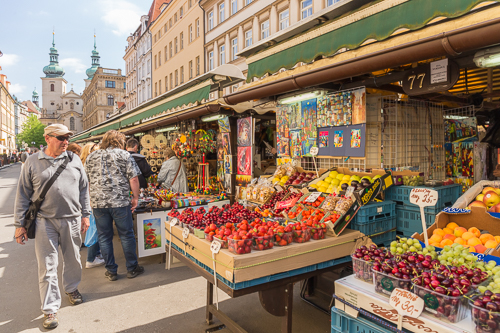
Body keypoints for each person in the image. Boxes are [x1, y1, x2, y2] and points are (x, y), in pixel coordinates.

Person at [14, 124, 91, 330]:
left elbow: (84, 188)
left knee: (73, 259)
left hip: (73, 220)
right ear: (47, 138)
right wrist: (19, 225)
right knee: (47, 266)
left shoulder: (74, 159)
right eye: (60, 138)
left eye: (67, 137)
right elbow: (22, 195)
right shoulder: (32, 162)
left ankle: (72, 288)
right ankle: (49, 308)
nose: (65, 141)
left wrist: (86, 214)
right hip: (44, 221)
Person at [84, 130, 144, 281]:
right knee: (126, 235)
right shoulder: (124, 155)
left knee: (104, 237)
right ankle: (132, 268)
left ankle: (111, 271)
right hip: (120, 202)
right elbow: (134, 179)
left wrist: (90, 200)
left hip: (98, 203)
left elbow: (87, 181)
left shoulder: (91, 156)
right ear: (119, 141)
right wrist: (135, 197)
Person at [80, 143, 105, 269]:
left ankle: (95, 255)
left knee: (94, 229)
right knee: (94, 230)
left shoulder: (82, 164)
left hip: (89, 202)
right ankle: (91, 259)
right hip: (91, 202)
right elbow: (87, 186)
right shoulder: (88, 165)